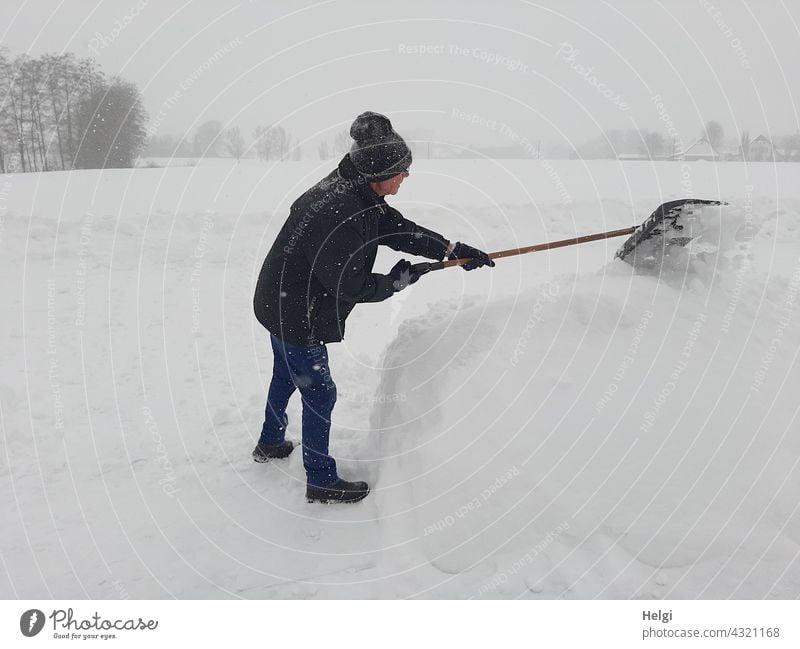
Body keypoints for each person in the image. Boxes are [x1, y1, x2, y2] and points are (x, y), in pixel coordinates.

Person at [253, 111, 494, 504]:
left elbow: (396, 228)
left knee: (285, 374)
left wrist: (450, 250)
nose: (406, 177)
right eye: (401, 171)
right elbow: (350, 284)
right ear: (378, 173)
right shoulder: (340, 211)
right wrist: (396, 282)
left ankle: (270, 442)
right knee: (319, 393)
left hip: (279, 300)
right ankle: (320, 480)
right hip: (297, 312)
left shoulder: (359, 190)